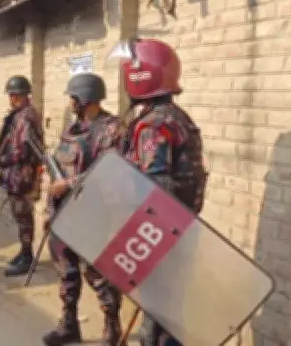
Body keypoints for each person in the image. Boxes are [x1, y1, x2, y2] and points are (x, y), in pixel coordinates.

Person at [109, 39, 208, 346]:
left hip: (160, 232)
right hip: (181, 228)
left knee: (157, 322)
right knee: (170, 312)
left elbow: (155, 186)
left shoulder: (153, 125)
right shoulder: (177, 117)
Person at [42, 73, 124, 346]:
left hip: (93, 213)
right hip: (65, 212)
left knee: (99, 274)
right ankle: (69, 324)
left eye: (73, 98)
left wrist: (68, 184)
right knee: (66, 272)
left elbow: (109, 169)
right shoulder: (73, 128)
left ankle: (112, 328)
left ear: (85, 98)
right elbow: (59, 168)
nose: (70, 103)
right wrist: (49, 208)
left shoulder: (112, 129)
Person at [0, 75, 44, 277]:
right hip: (18, 175)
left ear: (16, 96)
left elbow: (22, 151)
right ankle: (24, 252)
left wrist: (1, 161)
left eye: (11, 95)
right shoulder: (23, 114)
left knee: (23, 216)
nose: (10, 99)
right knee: (20, 216)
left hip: (23, 175)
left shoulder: (25, 117)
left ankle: (27, 257)